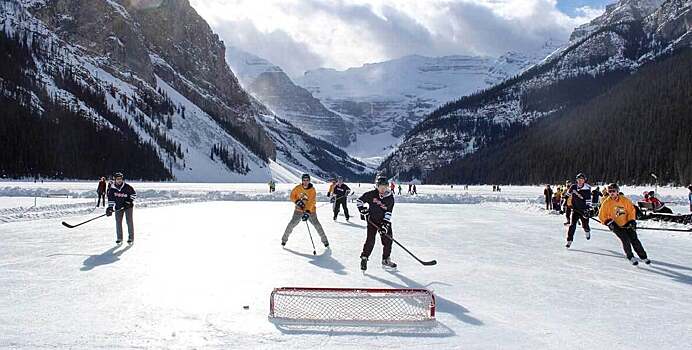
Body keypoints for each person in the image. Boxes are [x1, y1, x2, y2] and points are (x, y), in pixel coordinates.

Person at [599, 183, 650, 265]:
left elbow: (631, 211)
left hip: (627, 223)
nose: (612, 193)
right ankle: (630, 256)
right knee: (625, 239)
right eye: (610, 191)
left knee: (634, 239)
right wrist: (608, 222)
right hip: (615, 225)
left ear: (617, 191)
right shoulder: (606, 202)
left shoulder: (624, 200)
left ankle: (643, 257)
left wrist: (632, 221)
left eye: (613, 191)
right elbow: (602, 215)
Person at [357, 176, 396, 270]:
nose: (383, 189)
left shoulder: (390, 198)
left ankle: (386, 259)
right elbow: (359, 201)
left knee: (388, 240)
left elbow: (388, 212)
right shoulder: (371, 194)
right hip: (372, 221)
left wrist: (385, 225)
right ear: (377, 186)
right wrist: (362, 210)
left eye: (385, 187)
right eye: (381, 187)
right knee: (370, 240)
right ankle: (364, 257)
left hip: (383, 222)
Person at [281, 174, 329, 248]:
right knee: (291, 224)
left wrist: (307, 212)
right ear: (302, 181)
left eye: (307, 180)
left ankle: (325, 241)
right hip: (298, 210)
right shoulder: (297, 188)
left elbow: (311, 202)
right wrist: (297, 201)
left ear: (309, 181)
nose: (305, 182)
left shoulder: (312, 190)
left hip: (311, 211)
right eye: (304, 180)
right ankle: (284, 240)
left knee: (317, 225)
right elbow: (292, 196)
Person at [106, 172, 137, 244]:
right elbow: (111, 199)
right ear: (115, 179)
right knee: (118, 222)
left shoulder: (127, 187)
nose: (119, 180)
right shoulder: (112, 189)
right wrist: (110, 208)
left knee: (129, 221)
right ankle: (119, 238)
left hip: (128, 207)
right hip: (118, 207)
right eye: (117, 179)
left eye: (120, 179)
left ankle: (131, 238)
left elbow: (134, 194)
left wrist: (128, 202)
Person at [565, 173, 592, 248]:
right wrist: (565, 201)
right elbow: (567, 194)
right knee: (572, 225)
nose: (580, 181)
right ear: (576, 180)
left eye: (581, 179)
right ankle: (569, 240)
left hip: (584, 211)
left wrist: (587, 210)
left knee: (585, 225)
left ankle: (587, 231)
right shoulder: (573, 187)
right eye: (578, 179)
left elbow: (589, 201)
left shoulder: (587, 189)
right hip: (575, 210)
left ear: (584, 180)